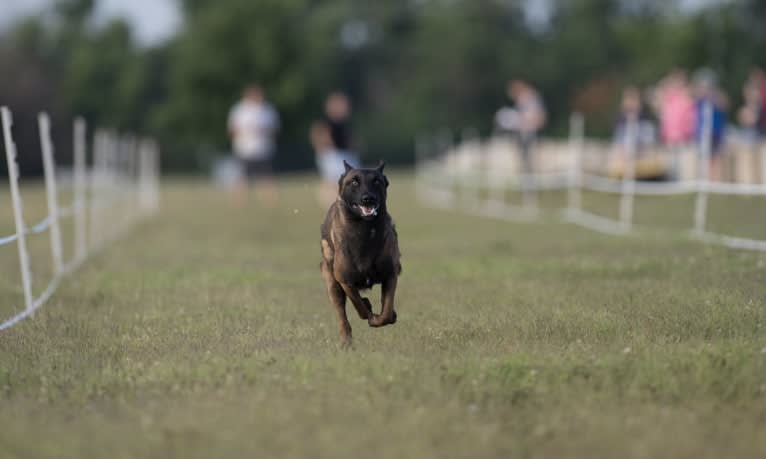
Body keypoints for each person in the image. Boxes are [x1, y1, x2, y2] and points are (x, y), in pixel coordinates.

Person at [494, 79, 546, 207]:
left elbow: (539, 119)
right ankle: (527, 192)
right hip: (522, 136)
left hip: (529, 137)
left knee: (529, 166)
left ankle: (531, 194)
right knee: (525, 166)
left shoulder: (531, 99)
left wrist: (518, 121)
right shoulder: (523, 100)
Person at [227, 84, 280, 206]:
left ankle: (270, 202)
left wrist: (263, 131)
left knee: (266, 176)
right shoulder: (240, 110)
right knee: (243, 177)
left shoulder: (267, 110)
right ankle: (239, 202)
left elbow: (274, 129)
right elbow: (232, 130)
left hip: (263, 149)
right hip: (245, 149)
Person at [312, 92, 360, 207]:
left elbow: (349, 138)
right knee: (333, 181)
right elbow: (318, 133)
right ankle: (330, 203)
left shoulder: (343, 123)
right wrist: (325, 147)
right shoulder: (327, 121)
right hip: (333, 155)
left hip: (344, 154)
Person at [692, 68, 728, 181]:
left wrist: (712, 95)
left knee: (715, 159)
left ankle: (715, 181)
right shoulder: (699, 99)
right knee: (704, 159)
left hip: (715, 134)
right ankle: (705, 180)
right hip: (702, 134)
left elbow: (724, 104)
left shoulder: (716, 97)